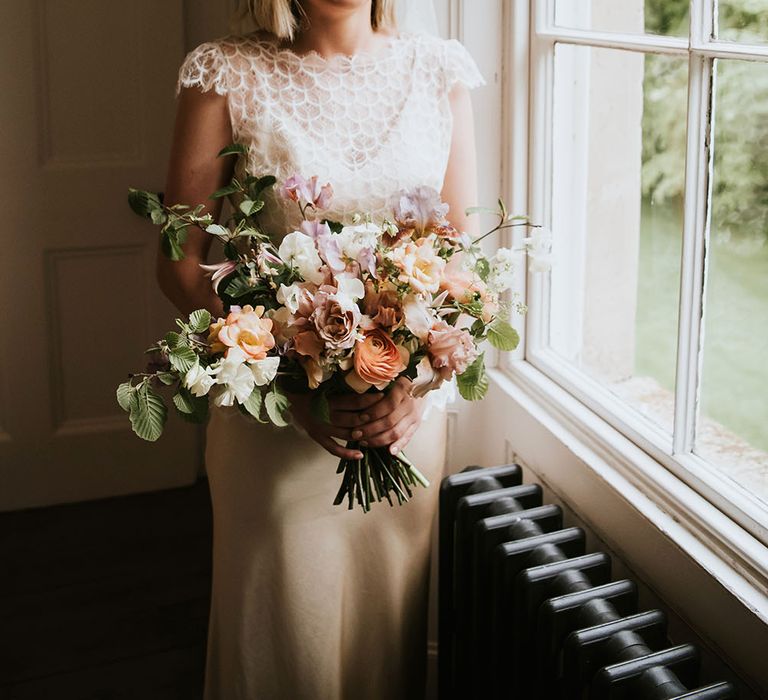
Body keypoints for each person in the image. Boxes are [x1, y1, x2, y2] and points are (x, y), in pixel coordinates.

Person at [157, 1, 483, 697]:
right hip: (275, 431)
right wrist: (288, 385)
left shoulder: (438, 70)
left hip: (403, 427)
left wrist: (411, 386)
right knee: (284, 648)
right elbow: (180, 262)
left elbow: (459, 259)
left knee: (383, 641)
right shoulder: (225, 74)